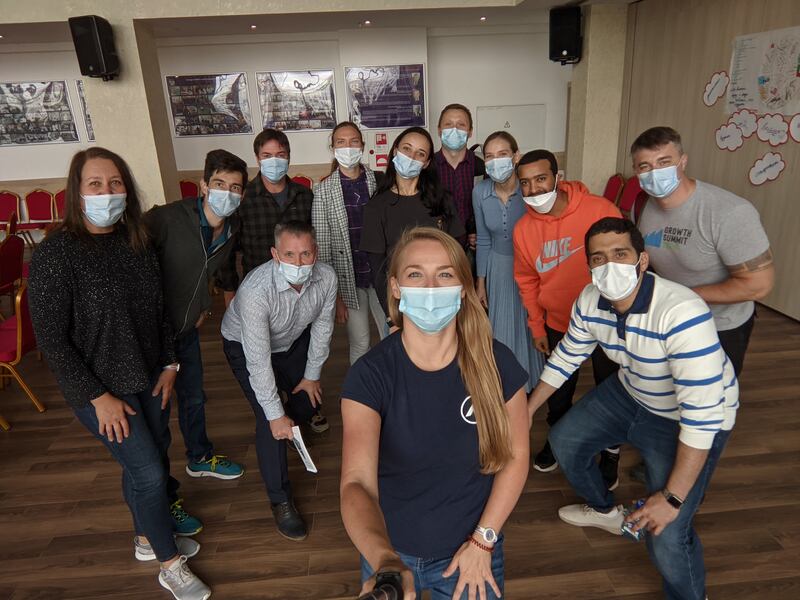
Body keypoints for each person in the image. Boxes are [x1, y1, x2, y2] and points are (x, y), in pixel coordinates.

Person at [28, 147, 211, 600]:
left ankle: (149, 538)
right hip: (101, 390)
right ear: (77, 192)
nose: (106, 192)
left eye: (115, 184)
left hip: (148, 376)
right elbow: (52, 340)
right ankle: (170, 565)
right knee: (149, 474)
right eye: (95, 184)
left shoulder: (137, 242)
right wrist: (96, 396)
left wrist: (170, 363)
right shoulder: (56, 254)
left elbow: (159, 311)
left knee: (148, 462)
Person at [527, 217, 738, 600]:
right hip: (631, 391)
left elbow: (701, 418)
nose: (609, 266)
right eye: (598, 258)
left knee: (668, 533)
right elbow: (565, 359)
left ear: (642, 261)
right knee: (564, 441)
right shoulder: (590, 300)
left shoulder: (681, 312)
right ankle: (606, 512)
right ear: (588, 265)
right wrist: (526, 412)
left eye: (620, 254)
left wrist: (672, 498)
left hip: (686, 419)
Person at [341, 227, 529, 600]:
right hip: (390, 554)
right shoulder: (370, 375)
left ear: (463, 288)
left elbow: (516, 455)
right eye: (415, 274)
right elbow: (356, 483)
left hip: (474, 552)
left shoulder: (497, 363)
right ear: (395, 287)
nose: (430, 287)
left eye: (444, 274)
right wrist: (385, 560)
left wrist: (483, 542)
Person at [629, 126, 774, 484]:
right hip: (670, 322)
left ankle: (691, 486)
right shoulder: (643, 206)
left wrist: (685, 296)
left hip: (720, 327)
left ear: (683, 161)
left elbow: (760, 284)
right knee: (668, 397)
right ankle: (663, 466)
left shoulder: (728, 212)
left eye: (664, 162)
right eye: (644, 166)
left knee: (707, 412)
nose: (654, 172)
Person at [146, 149, 247, 517]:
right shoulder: (168, 219)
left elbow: (208, 272)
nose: (227, 193)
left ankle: (200, 457)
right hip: (151, 337)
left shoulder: (231, 229)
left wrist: (204, 305)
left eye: (235, 187)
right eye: (219, 184)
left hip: (185, 332)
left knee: (194, 399)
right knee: (156, 418)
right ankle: (163, 498)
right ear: (204, 185)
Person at [221, 221, 336, 541]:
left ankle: (294, 428)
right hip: (245, 346)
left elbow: (323, 328)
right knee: (269, 421)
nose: (298, 263)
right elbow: (257, 360)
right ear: (274, 254)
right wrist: (274, 414)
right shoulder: (255, 290)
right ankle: (280, 499)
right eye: (289, 255)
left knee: (304, 398)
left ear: (316, 252)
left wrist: (312, 376)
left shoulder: (326, 277)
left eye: (305, 254)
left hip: (293, 339)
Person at [512, 149, 622, 482]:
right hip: (559, 322)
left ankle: (610, 454)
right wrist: (536, 325)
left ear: (558, 178)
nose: (534, 190)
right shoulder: (523, 230)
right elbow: (527, 280)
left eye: (541, 179)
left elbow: (624, 259)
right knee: (559, 391)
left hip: (608, 322)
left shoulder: (599, 210)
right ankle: (557, 442)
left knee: (611, 390)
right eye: (525, 184)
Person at [217, 127, 327, 433]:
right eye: (267, 156)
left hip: (299, 289)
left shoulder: (305, 196)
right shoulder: (244, 198)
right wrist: (229, 290)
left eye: (280, 155)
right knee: (262, 354)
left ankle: (308, 406)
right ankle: (275, 409)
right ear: (257, 159)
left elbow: (315, 243)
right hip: (259, 293)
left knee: (301, 352)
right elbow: (228, 249)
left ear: (289, 157)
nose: (274, 161)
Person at [360, 126, 465, 317]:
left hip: (443, 297)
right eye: (406, 149)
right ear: (395, 151)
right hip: (401, 302)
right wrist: (392, 317)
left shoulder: (443, 201)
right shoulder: (376, 208)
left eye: (420, 153)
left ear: (426, 163)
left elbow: (458, 253)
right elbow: (378, 271)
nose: (411, 157)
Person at [473, 131, 543, 391]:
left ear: (516, 156)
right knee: (499, 330)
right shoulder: (479, 192)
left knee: (527, 327)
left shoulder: (530, 190)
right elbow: (482, 239)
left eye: (502, 154)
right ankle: (502, 383)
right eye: (489, 156)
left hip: (529, 268)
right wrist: (481, 282)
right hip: (497, 267)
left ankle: (528, 381)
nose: (495, 161)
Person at [312, 121, 386, 364]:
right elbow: (322, 246)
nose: (348, 147)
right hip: (348, 279)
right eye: (341, 142)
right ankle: (360, 393)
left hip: (381, 273)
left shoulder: (379, 181)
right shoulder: (323, 190)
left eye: (353, 141)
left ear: (362, 146)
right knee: (361, 342)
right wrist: (335, 296)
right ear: (333, 148)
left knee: (390, 335)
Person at [434, 103, 486, 248]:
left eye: (461, 125)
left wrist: (479, 230)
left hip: (473, 250)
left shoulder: (482, 166)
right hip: (437, 247)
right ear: (439, 130)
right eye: (448, 124)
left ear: (470, 132)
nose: (454, 130)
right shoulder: (427, 167)